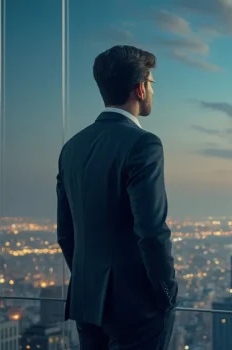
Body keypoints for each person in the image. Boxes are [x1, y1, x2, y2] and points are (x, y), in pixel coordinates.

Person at [56, 45, 177, 349]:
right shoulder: (143, 144)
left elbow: (66, 233)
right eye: (151, 83)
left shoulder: (72, 147)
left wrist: (91, 279)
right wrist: (166, 292)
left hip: (87, 298)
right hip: (136, 305)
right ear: (139, 88)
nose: (151, 91)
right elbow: (151, 231)